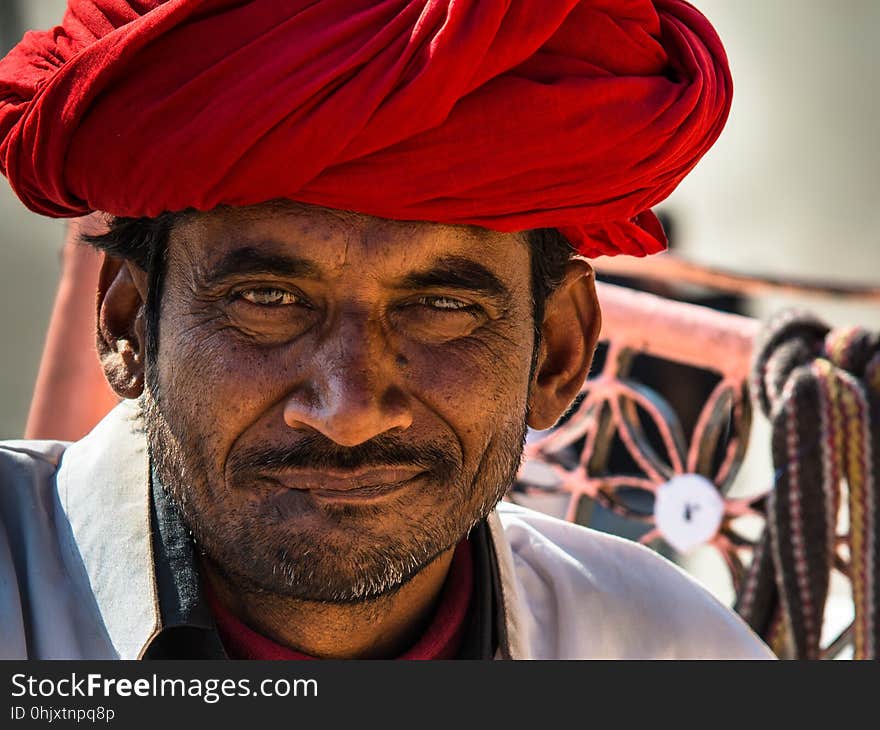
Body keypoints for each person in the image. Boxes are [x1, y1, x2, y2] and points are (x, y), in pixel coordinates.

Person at [0, 0, 773, 659]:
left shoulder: (667, 651)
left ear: (558, 356)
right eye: (268, 299)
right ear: (128, 327)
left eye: (441, 308)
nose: (349, 410)